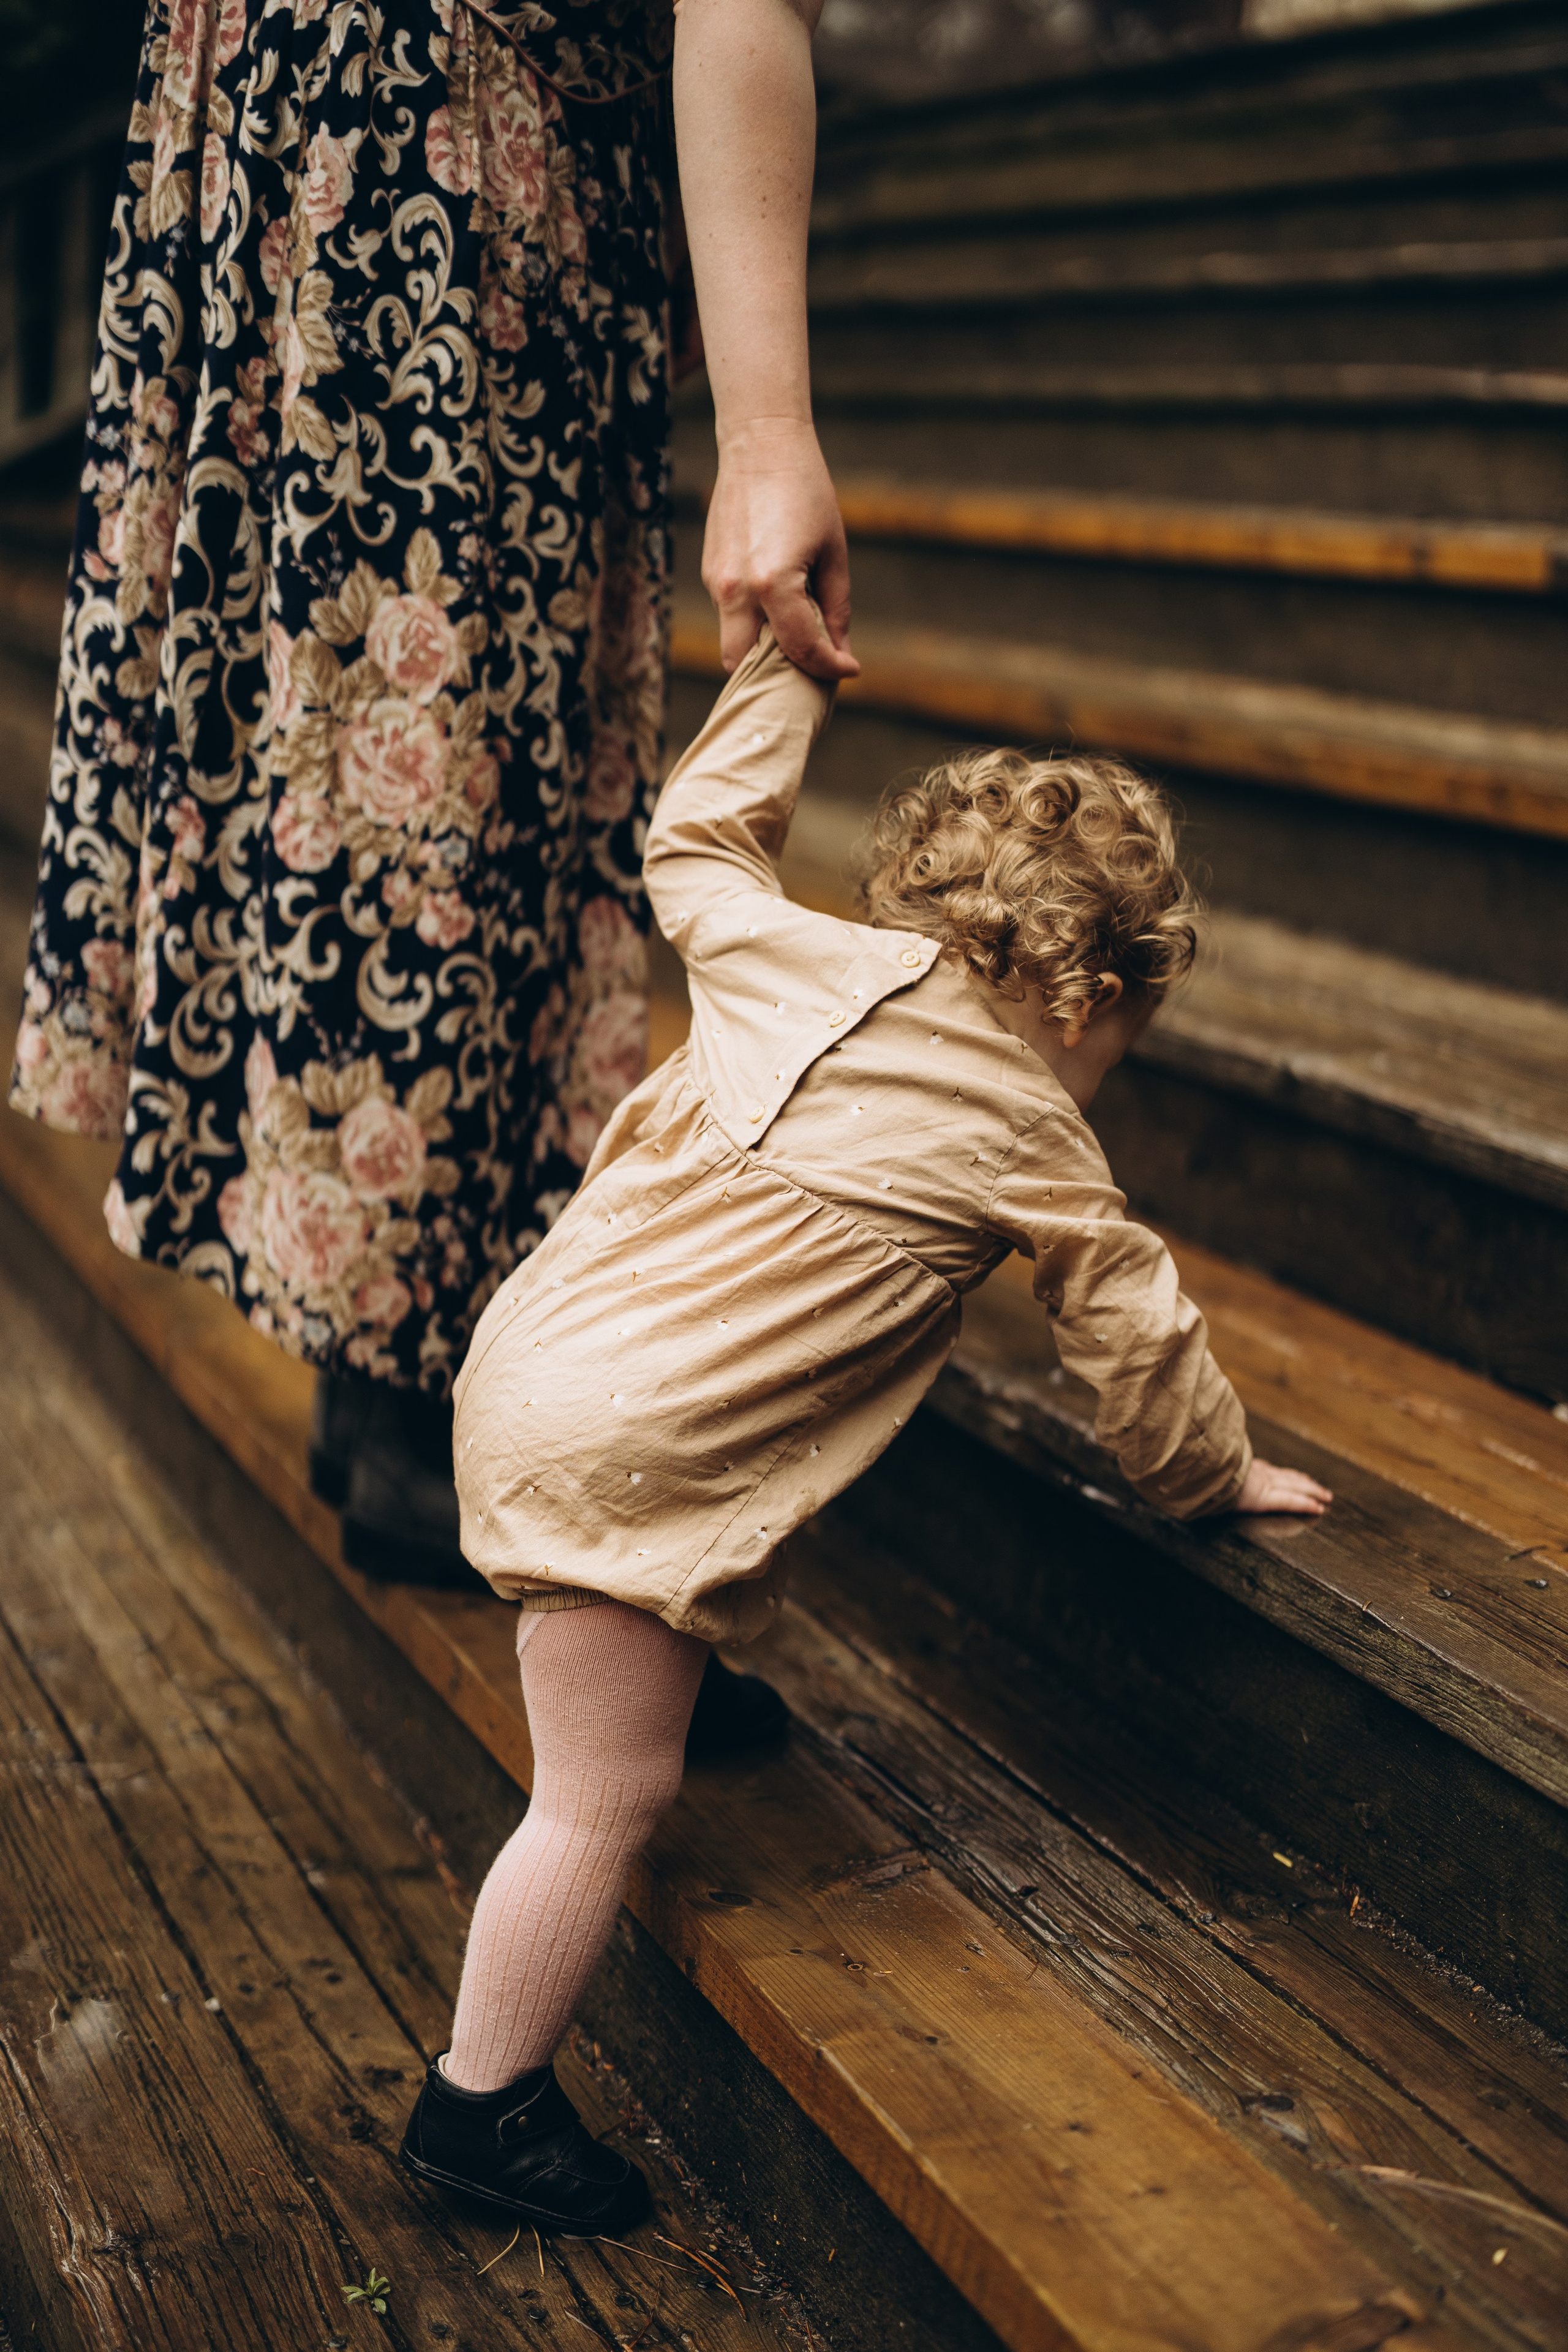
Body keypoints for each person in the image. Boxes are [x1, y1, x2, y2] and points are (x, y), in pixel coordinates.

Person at [396, 627, 1334, 2232]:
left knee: (671, 1566)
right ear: (1092, 998)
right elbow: (1135, 1333)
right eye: (1121, 1045)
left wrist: (787, 676)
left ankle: (681, 1681)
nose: (1103, 1079)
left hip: (528, 1358)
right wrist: (1212, 1475)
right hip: (633, 1453)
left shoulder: (782, 949)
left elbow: (691, 832)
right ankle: (480, 2106)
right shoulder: (1037, 1138)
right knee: (598, 1802)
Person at [7, 0, 852, 1755]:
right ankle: (424, 1411)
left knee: (337, 716)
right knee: (434, 727)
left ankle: (376, 1365)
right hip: (435, 148)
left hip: (270, 139)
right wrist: (771, 433)